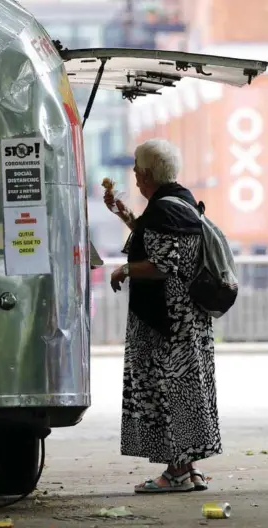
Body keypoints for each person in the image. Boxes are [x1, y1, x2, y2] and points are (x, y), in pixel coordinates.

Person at [103, 139, 222, 493]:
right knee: (184, 393)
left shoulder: (163, 211)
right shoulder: (179, 202)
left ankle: (177, 474)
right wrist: (123, 213)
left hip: (166, 324)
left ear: (149, 173)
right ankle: (190, 469)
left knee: (170, 395)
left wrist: (123, 270)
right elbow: (154, 240)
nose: (135, 176)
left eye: (138, 169)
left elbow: (161, 264)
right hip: (187, 322)